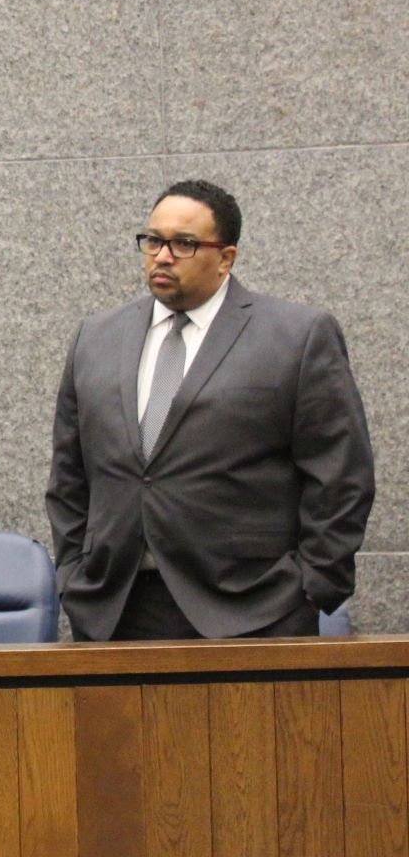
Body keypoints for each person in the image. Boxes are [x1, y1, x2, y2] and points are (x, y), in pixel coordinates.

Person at [47, 180, 374, 640]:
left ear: (226, 258)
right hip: (113, 608)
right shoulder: (96, 337)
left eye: (184, 243)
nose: (162, 255)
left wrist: (313, 584)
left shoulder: (297, 336)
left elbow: (341, 474)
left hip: (253, 608)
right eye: (154, 240)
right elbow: (69, 473)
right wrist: (73, 573)